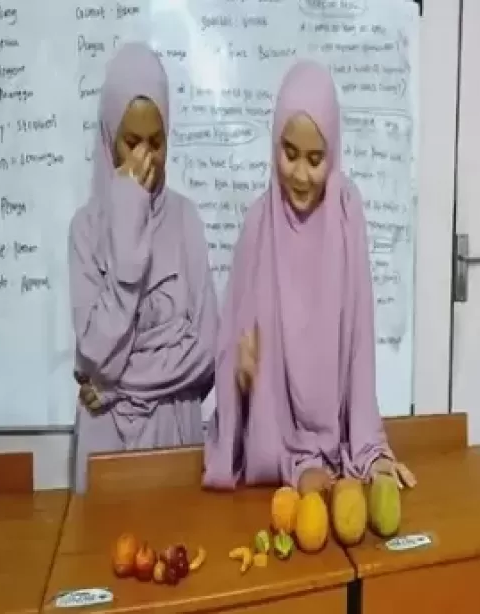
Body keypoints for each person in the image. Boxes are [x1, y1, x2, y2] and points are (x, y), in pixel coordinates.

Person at [203, 60, 416, 495]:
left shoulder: (347, 216)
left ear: (333, 154)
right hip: (274, 457)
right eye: (289, 153)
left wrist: (371, 451)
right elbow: (230, 355)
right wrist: (240, 375)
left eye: (315, 160)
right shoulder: (257, 226)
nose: (300, 174)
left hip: (339, 458)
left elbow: (359, 342)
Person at [68, 42, 218, 493]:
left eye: (157, 142)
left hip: (175, 434)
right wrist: (129, 223)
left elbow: (206, 351)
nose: (145, 159)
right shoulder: (85, 230)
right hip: (105, 438)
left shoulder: (186, 220)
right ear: (108, 137)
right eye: (131, 143)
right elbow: (95, 351)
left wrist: (115, 384)